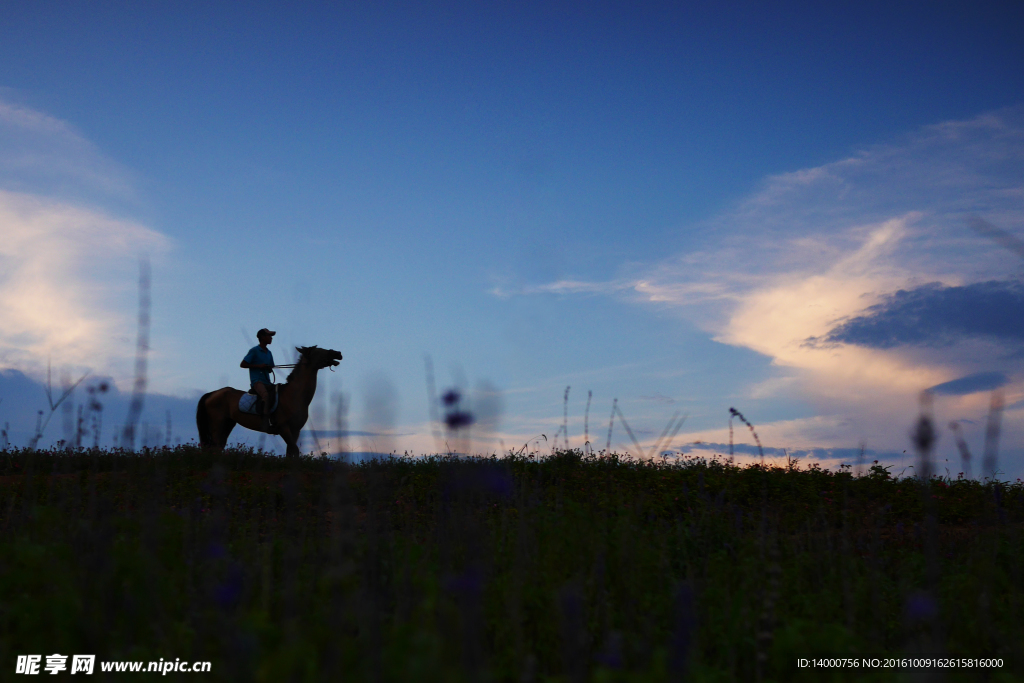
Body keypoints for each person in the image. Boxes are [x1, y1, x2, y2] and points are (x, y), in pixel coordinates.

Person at [241, 328, 276, 426]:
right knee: (265, 395)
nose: (271, 338)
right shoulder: (254, 350)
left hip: (267, 381)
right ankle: (265, 420)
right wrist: (258, 366)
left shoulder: (269, 353)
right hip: (257, 381)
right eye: (269, 336)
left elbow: (271, 366)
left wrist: (269, 368)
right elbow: (243, 364)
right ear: (262, 337)